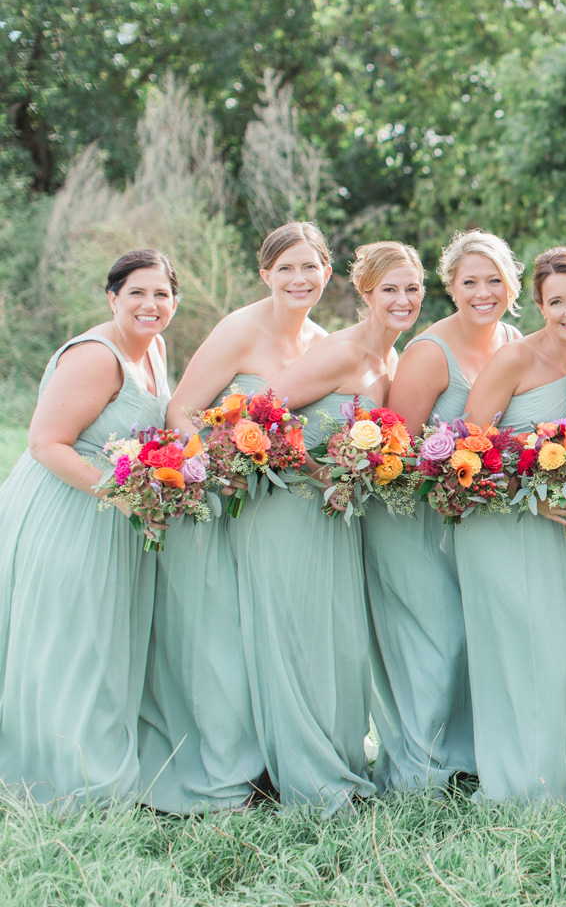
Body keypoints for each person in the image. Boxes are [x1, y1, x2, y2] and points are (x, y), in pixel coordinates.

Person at [139, 222, 331, 813]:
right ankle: (230, 766)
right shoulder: (240, 329)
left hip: (291, 514)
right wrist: (228, 463)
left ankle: (280, 756)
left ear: (327, 272)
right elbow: (183, 409)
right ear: (265, 274)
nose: (299, 279)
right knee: (226, 635)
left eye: (310, 267)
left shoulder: (324, 340)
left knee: (278, 635)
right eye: (287, 268)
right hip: (231, 502)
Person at [234, 240, 424, 814]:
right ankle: (309, 781)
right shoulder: (342, 352)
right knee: (296, 639)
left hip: (336, 515)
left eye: (412, 288)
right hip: (291, 508)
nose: (403, 299)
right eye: (389, 289)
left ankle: (337, 761)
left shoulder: (391, 359)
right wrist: (322, 474)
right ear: (365, 293)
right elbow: (261, 418)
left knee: (335, 643)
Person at [0, 249, 176, 809]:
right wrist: (121, 495)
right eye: (137, 294)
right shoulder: (97, 357)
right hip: (67, 508)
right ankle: (58, 775)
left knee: (102, 640)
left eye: (162, 295)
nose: (151, 305)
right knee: (70, 641)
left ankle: (95, 755)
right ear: (112, 297)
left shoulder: (155, 347)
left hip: (115, 512)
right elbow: (44, 441)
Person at [363, 230, 522, 793]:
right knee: (440, 637)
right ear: (450, 287)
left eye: (493, 280)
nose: (483, 292)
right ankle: (424, 765)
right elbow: (396, 449)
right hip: (410, 514)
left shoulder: (513, 338)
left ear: (511, 284)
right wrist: (452, 472)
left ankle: (470, 756)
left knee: (476, 634)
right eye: (469, 282)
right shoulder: (430, 352)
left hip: (475, 515)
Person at [453, 247, 566, 805]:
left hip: (561, 523)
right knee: (522, 647)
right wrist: (529, 496)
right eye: (556, 301)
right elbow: (471, 444)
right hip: (504, 520)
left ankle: (564, 761)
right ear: (538, 304)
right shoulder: (515, 360)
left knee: (564, 647)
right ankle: (527, 782)